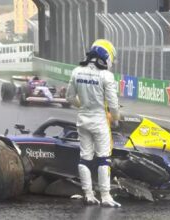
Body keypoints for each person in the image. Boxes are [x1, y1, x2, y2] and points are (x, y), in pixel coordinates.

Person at [66, 39, 121, 207]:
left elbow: (69, 98)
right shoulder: (107, 76)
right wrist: (116, 119)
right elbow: (113, 105)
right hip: (99, 121)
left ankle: (88, 194)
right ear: (106, 56)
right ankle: (105, 196)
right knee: (103, 158)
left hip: (82, 120)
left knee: (85, 158)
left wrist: (82, 105)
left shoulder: (76, 71)